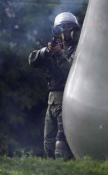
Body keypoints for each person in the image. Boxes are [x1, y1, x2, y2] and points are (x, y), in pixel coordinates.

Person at [28, 12, 80, 160]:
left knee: (61, 142)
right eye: (61, 28)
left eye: (67, 28)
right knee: (48, 142)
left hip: (65, 100)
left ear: (73, 30)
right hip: (52, 101)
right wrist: (46, 51)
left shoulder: (78, 50)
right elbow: (32, 60)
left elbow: (70, 71)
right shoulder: (54, 49)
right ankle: (51, 172)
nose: (64, 32)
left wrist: (58, 54)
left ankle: (64, 170)